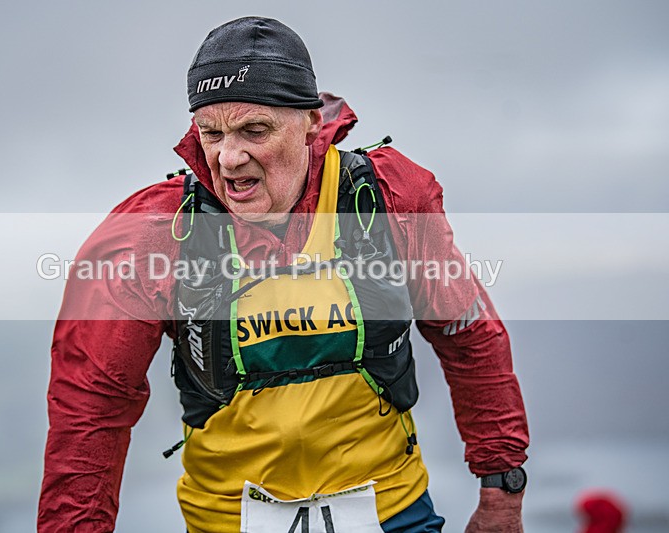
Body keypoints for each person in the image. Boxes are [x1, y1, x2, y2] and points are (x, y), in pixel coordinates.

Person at [38, 16, 529, 533]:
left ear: (311, 122)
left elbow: (468, 334)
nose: (229, 158)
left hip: (394, 514)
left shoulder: (390, 197)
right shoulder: (152, 232)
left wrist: (502, 490)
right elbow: (91, 406)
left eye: (255, 131)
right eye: (211, 133)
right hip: (224, 522)